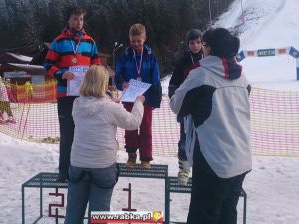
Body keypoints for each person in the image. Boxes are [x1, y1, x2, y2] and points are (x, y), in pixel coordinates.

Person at [170, 28, 252, 224]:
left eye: (204, 45)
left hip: (213, 160)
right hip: (240, 159)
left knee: (203, 216)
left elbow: (176, 105)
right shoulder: (242, 78)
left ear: (210, 48)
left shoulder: (201, 75)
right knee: (227, 214)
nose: (201, 48)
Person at [65, 65, 144, 223]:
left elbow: (96, 106)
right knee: (99, 217)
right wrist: (138, 102)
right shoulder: (110, 107)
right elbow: (133, 122)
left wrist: (110, 101)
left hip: (78, 164)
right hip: (103, 165)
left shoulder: (76, 104)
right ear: (103, 83)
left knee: (73, 213)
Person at [43, 6, 100, 182]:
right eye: (75, 19)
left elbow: (97, 66)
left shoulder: (90, 42)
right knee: (67, 134)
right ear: (68, 20)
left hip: (85, 95)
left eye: (81, 19)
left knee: (85, 134)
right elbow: (47, 65)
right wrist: (61, 73)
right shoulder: (59, 41)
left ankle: (82, 171)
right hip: (65, 95)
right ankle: (63, 171)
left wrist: (93, 75)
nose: (79, 22)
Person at [115, 23, 162, 169]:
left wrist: (155, 98)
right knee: (130, 127)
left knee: (146, 127)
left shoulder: (150, 56)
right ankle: (131, 157)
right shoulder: (125, 55)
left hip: (145, 99)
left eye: (138, 41)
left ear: (144, 38)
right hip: (130, 98)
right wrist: (122, 83)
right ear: (129, 39)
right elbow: (118, 74)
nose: (135, 44)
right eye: (133, 41)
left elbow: (156, 77)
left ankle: (146, 158)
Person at [169, 29, 203, 185]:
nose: (195, 46)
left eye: (198, 42)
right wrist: (177, 100)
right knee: (185, 139)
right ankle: (184, 170)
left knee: (203, 140)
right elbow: (173, 84)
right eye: (192, 43)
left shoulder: (208, 59)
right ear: (188, 44)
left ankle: (202, 171)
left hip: (203, 109)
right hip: (186, 109)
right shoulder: (183, 61)